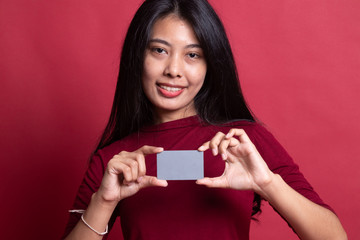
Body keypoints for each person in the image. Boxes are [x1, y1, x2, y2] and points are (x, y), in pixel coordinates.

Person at [63, 0, 347, 239]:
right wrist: (104, 201)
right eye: (159, 50)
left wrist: (267, 184)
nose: (174, 69)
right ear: (138, 56)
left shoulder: (244, 142)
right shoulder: (113, 160)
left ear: (210, 64)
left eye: (193, 55)